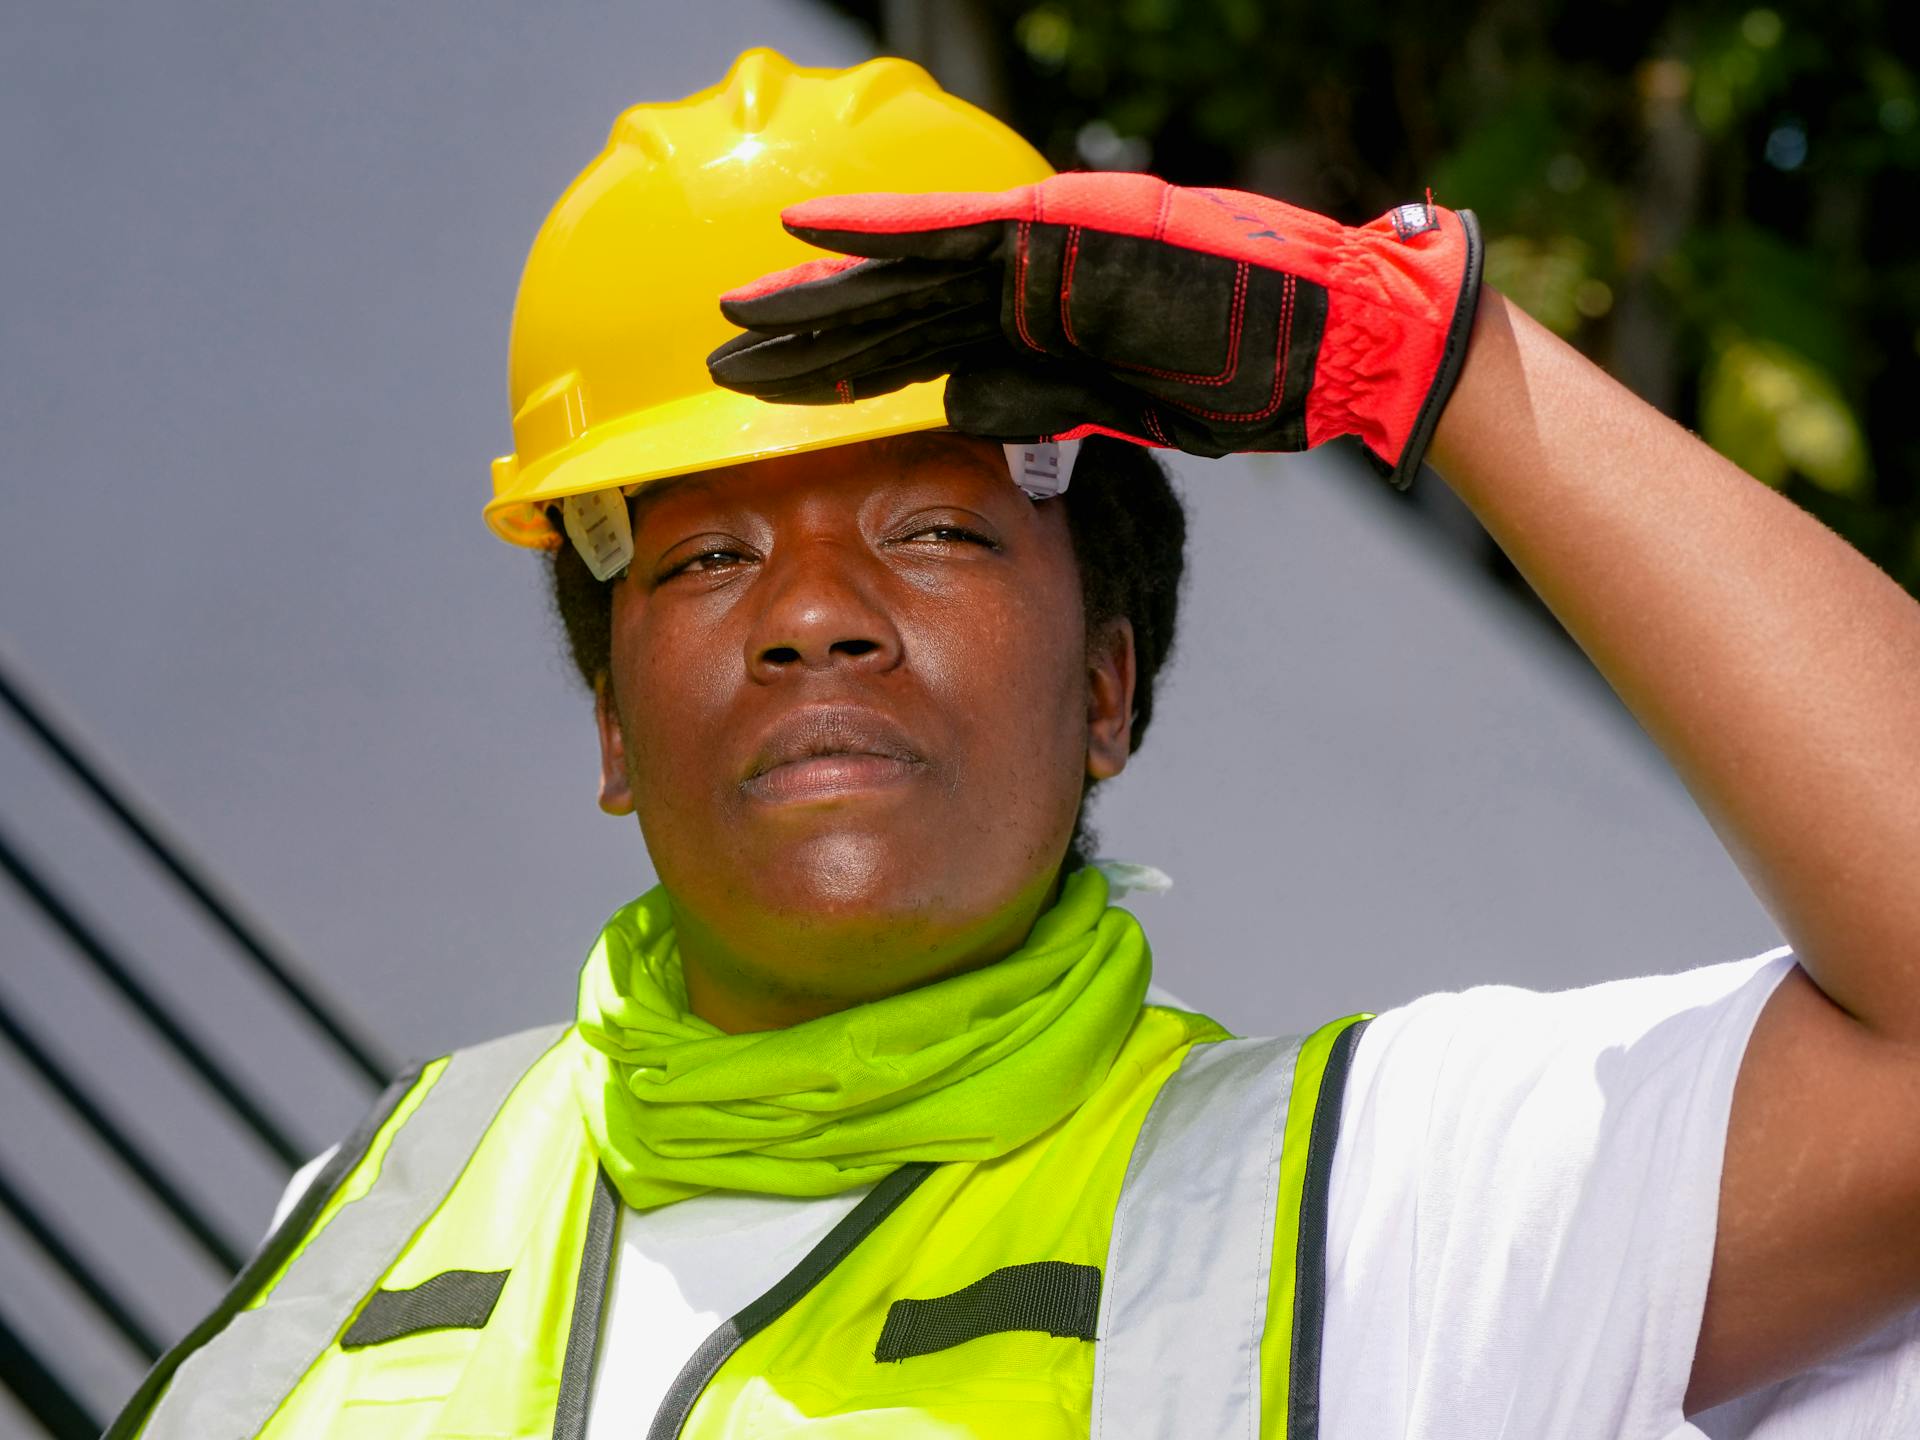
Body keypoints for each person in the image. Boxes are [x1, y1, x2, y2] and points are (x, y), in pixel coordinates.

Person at [106, 47, 1920, 1440]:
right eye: (712, 554)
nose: (814, 612)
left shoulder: (1366, 1209)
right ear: (610, 725)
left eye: (934, 530)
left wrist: (1423, 364)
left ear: (1109, 689)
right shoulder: (378, 1203)